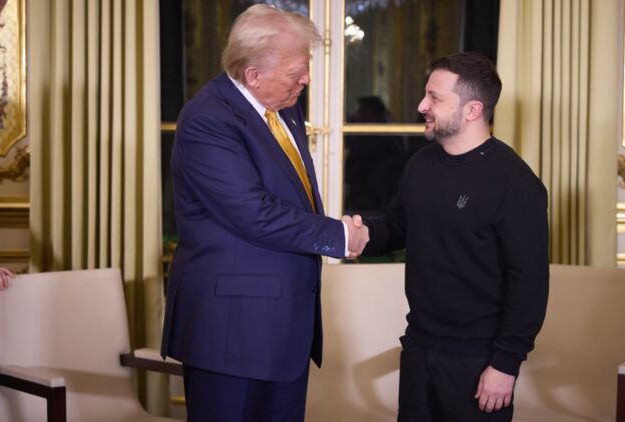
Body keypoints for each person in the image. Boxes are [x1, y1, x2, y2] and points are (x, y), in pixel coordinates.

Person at [159, 5, 368, 421]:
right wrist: (338, 236)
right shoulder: (207, 118)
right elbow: (251, 211)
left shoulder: (283, 107)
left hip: (285, 329)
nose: (306, 80)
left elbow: (290, 197)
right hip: (231, 331)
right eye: (296, 72)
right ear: (253, 75)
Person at [352, 52, 549, 421]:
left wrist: (505, 364)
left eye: (435, 98)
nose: (421, 106)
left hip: (480, 359)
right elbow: (398, 227)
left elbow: (530, 285)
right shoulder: (421, 164)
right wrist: (365, 234)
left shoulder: (516, 184)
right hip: (419, 346)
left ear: (473, 110)